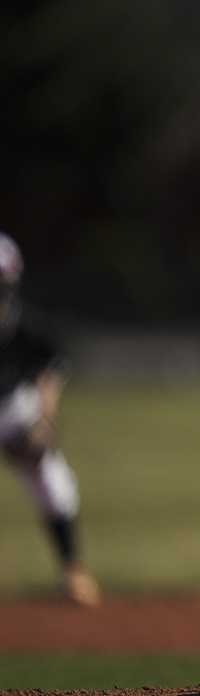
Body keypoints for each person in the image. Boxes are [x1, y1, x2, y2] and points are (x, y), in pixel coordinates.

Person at [0, 233, 101, 607]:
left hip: (12, 404)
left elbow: (47, 367)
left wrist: (45, 416)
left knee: (51, 481)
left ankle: (72, 568)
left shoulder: (27, 322)